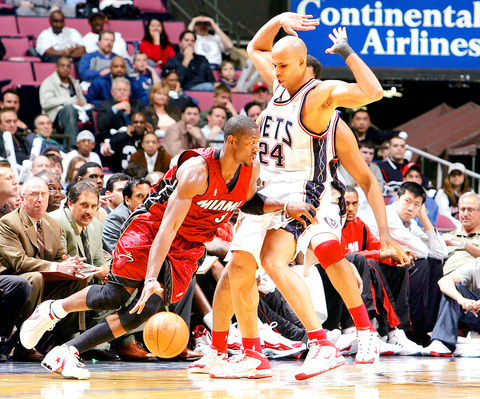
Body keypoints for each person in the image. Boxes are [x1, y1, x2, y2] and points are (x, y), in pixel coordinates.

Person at [190, 13, 405, 380]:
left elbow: (373, 92)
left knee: (285, 259)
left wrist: (347, 53)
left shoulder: (320, 96)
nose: (275, 71)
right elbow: (255, 47)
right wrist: (277, 20)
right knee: (240, 267)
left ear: (304, 64)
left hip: (305, 194)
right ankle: (247, 354)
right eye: (275, 65)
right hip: (264, 192)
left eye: (283, 65)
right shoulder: (278, 86)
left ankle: (333, 340)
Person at [20, 115, 315, 379]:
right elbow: (167, 228)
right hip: (152, 228)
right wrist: (150, 278)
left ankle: (65, 352)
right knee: (116, 294)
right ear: (231, 141)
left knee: (147, 308)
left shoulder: (249, 171)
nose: (256, 148)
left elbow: (248, 201)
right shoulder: (196, 171)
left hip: (189, 242)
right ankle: (53, 310)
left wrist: (286, 204)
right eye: (252, 143)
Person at [0, 177, 87, 361]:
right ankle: (24, 344)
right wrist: (57, 266)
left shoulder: (54, 224)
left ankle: (64, 342)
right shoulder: (9, 223)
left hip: (44, 280)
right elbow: (18, 262)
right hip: (16, 280)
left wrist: (70, 265)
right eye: (34, 194)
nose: (40, 199)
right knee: (35, 278)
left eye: (43, 195)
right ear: (22, 198)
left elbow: (59, 256)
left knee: (78, 280)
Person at [363, 182, 448, 346]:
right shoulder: (388, 216)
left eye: (417, 205)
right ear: (396, 199)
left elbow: (440, 253)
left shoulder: (411, 223)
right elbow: (423, 252)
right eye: (407, 201)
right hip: (373, 267)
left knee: (435, 265)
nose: (411, 208)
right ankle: (412, 331)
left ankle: (426, 328)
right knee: (422, 264)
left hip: (393, 266)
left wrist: (424, 218)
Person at [423, 258, 480, 357]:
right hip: (477, 313)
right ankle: (442, 343)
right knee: (454, 289)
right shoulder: (477, 264)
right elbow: (444, 281)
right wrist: (461, 299)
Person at [39, 56, 88, 148]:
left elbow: (82, 101)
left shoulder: (73, 82)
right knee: (69, 110)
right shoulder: (49, 82)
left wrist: (87, 106)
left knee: (93, 111)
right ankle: (72, 147)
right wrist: (70, 101)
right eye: (62, 66)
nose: (65, 68)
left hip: (78, 112)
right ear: (56, 67)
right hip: (56, 116)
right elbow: (45, 102)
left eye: (68, 66)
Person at [102, 177, 152, 254]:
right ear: (127, 200)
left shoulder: (153, 214)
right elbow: (118, 254)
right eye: (139, 196)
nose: (146, 201)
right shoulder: (115, 218)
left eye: (148, 196)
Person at [388, 162, 438, 227]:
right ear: (404, 180)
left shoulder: (432, 203)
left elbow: (433, 227)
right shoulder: (397, 199)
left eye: (416, 176)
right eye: (410, 176)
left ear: (420, 180)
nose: (414, 180)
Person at [442, 193, 480, 275]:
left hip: (472, 280)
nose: (465, 214)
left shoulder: (456, 239)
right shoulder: (448, 237)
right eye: (462, 209)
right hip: (447, 277)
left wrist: (463, 244)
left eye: (470, 210)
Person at [5, 0, 74, 17]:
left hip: (50, 9)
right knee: (23, 10)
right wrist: (21, 2)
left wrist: (56, 6)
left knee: (68, 9)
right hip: (30, 9)